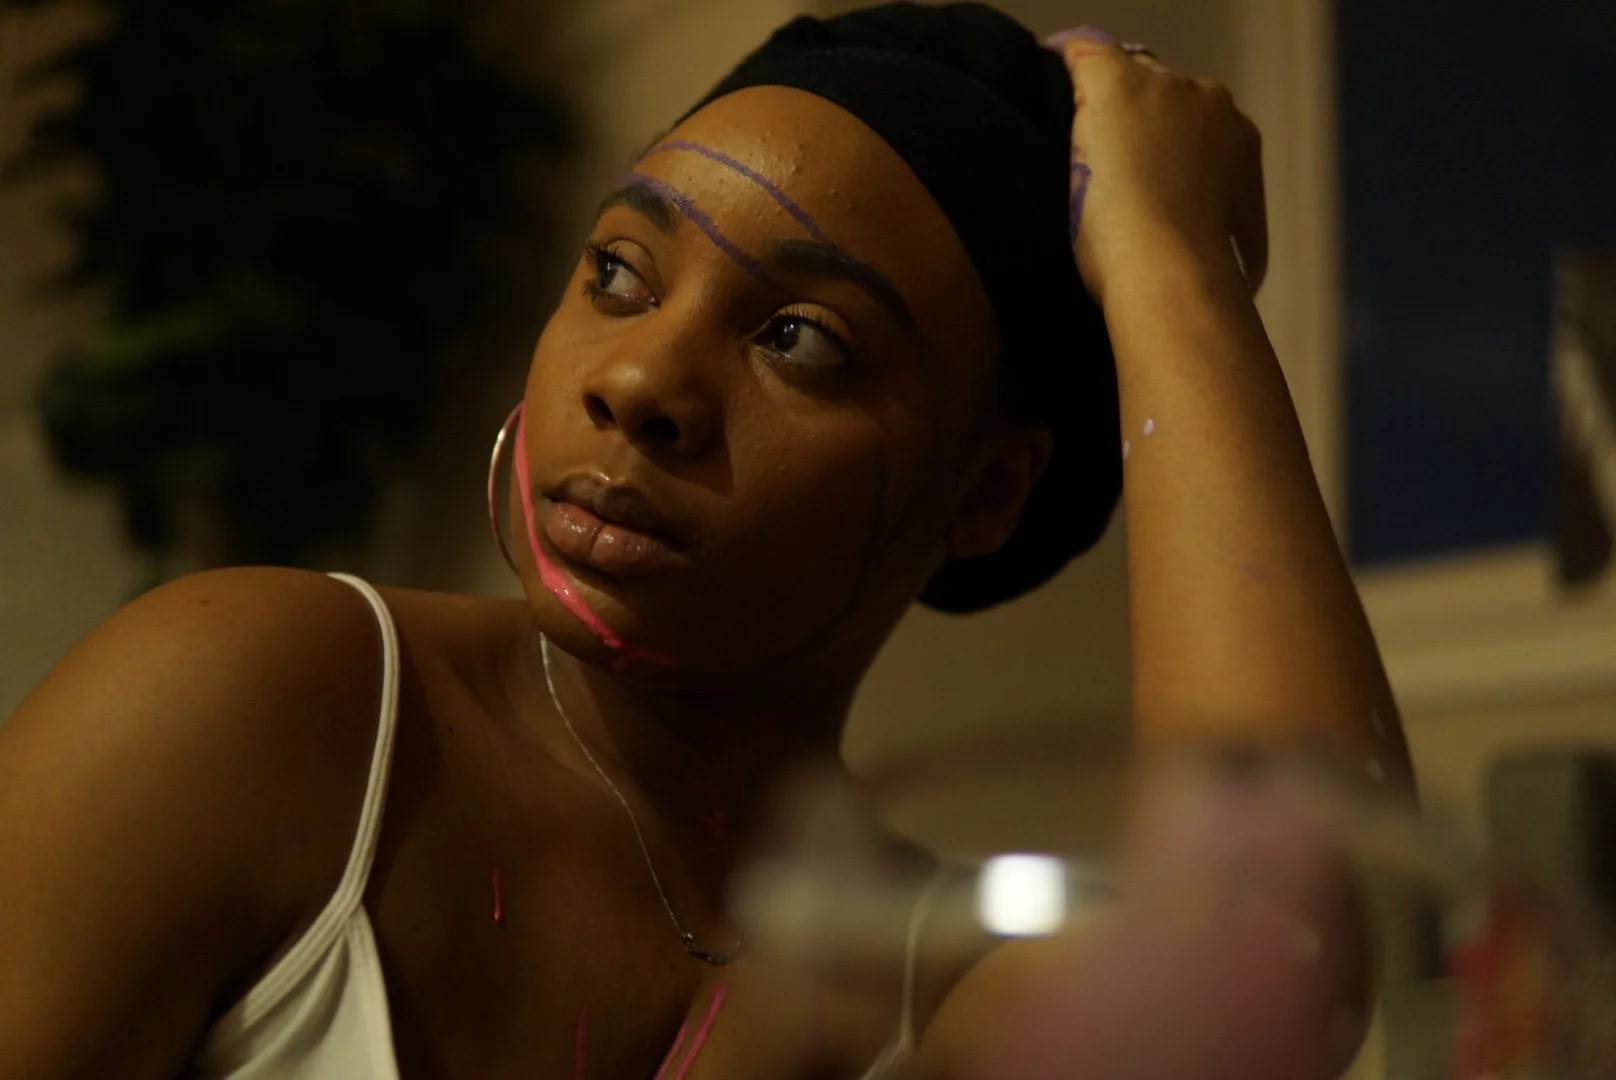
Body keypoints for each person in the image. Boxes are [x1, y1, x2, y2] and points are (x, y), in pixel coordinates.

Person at [0, 4, 1412, 1078]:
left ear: (987, 492)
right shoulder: (265, 703)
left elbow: (1279, 933)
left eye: (802, 340)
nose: (638, 383)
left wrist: (1173, 268)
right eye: (619, 270)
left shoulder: (936, 980)